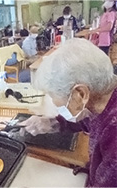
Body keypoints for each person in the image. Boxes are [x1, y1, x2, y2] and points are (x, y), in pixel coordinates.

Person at [20, 38, 117, 187]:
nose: (56, 104)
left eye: (56, 99)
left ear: (81, 93)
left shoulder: (113, 134)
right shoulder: (102, 99)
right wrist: (51, 123)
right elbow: (89, 119)